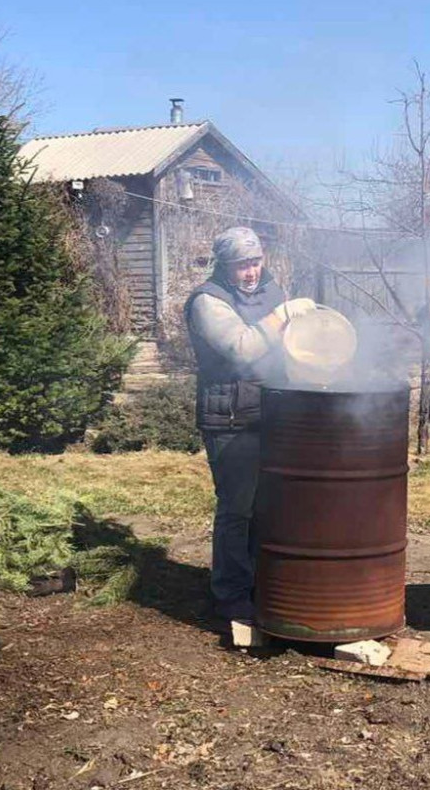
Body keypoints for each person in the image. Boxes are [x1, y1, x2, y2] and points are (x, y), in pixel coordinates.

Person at [184, 226, 316, 622]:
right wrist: (282, 315)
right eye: (242, 265)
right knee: (238, 509)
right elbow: (244, 349)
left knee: (268, 507)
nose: (251, 272)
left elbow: (293, 343)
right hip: (230, 419)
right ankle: (230, 596)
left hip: (272, 413)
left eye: (256, 262)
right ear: (224, 266)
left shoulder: (271, 293)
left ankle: (264, 585)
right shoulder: (208, 302)